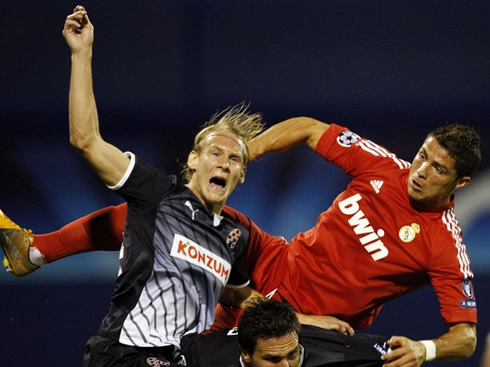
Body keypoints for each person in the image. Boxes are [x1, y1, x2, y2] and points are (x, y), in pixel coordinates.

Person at [0, 9, 482, 367]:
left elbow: (466, 336)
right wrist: (246, 150)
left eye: (437, 169)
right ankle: (38, 250)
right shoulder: (385, 166)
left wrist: (424, 349)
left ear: (459, 182)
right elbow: (310, 128)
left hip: (302, 325)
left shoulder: (445, 245)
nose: (420, 170)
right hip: (274, 260)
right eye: (422, 154)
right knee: (165, 213)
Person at [48, 5, 272, 366]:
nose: (224, 163)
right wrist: (81, 53)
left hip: (176, 359)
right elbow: (86, 140)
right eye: (215, 152)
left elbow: (241, 295)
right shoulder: (157, 193)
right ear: (194, 161)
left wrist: (305, 321)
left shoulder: (235, 237)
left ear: (241, 175)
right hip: (124, 354)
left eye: (235, 160)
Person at [179, 298, 388, 367]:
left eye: (292, 355)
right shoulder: (203, 355)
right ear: (246, 354)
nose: (286, 366)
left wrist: (421, 350)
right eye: (273, 359)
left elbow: (387, 349)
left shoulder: (329, 351)